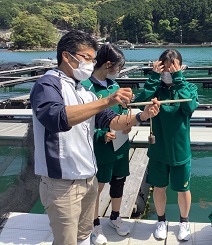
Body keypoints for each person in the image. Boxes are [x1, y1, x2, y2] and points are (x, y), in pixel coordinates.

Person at [30, 30, 160, 245]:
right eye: (87, 58)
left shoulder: (83, 91)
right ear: (66, 56)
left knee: (82, 237)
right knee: (66, 241)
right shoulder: (48, 84)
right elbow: (57, 118)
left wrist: (142, 115)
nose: (91, 63)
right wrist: (106, 101)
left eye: (92, 58)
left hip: (88, 177)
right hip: (62, 182)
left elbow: (113, 121)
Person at [133, 49, 199, 241]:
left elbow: (189, 107)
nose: (169, 72)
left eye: (173, 68)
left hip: (180, 151)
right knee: (159, 187)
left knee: (183, 189)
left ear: (181, 67)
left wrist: (178, 79)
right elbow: (139, 103)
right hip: (158, 150)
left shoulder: (189, 88)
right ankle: (161, 220)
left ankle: (184, 222)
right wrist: (154, 77)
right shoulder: (156, 88)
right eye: (165, 68)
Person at [80, 43, 131, 245]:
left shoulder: (115, 86)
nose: (118, 72)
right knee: (98, 186)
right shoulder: (86, 87)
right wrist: (101, 133)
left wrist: (126, 123)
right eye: (117, 67)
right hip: (100, 148)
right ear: (108, 64)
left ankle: (115, 217)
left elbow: (120, 113)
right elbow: (81, 123)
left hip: (120, 144)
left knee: (119, 181)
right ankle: (94, 224)